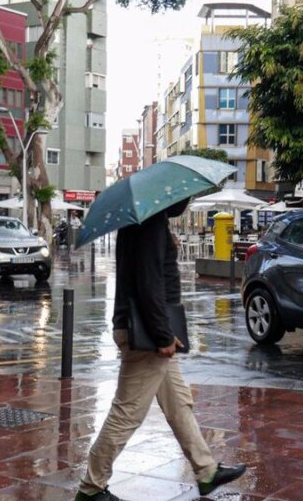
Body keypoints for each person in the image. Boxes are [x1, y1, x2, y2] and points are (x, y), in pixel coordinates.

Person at [75, 200, 246, 501]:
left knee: (179, 402)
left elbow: (150, 275)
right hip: (148, 335)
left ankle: (206, 472)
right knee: (127, 411)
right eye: (186, 199)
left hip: (151, 330)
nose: (187, 203)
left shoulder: (146, 224)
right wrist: (163, 335)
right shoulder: (151, 225)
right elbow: (149, 284)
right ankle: (91, 487)